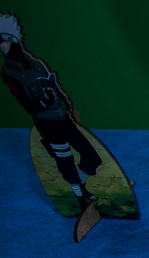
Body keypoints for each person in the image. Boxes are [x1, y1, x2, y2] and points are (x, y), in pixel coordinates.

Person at [1, 14, 102, 211]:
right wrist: (44, 101)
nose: (3, 47)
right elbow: (28, 106)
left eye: (5, 41)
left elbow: (55, 87)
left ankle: (81, 186)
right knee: (65, 161)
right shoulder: (8, 73)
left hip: (63, 118)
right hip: (47, 125)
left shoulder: (37, 63)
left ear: (14, 40)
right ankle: (79, 197)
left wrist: (70, 108)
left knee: (91, 157)